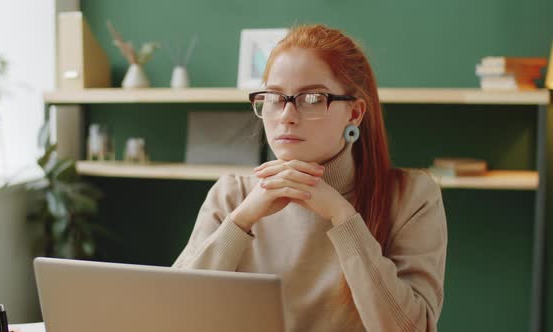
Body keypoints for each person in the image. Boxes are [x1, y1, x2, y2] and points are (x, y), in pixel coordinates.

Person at [173, 24, 447, 332]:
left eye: (312, 98)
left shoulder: (413, 197)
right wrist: (241, 221)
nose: (287, 115)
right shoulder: (232, 194)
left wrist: (342, 216)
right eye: (275, 97)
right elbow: (172, 315)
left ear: (354, 114)